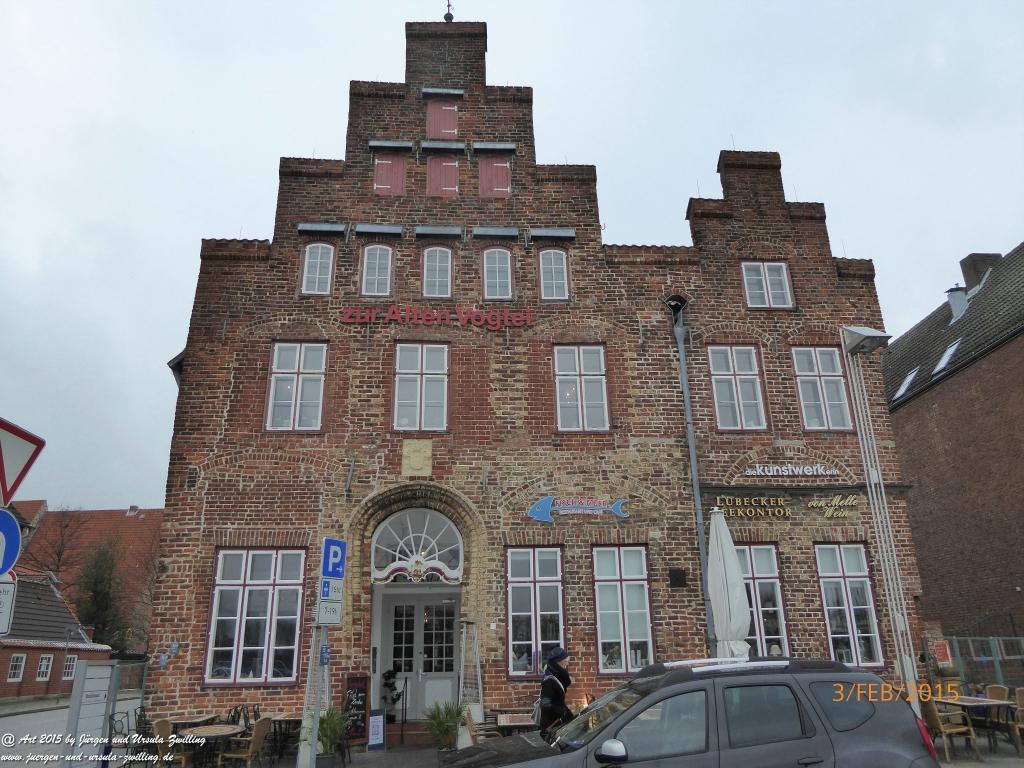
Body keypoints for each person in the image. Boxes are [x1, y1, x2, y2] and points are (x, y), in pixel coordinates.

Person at [538, 646, 574, 739]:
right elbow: (545, 704)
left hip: (557, 722)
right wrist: (562, 712)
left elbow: (558, 699)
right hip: (551, 725)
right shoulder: (549, 680)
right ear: (559, 661)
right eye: (566, 660)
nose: (568, 663)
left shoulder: (556, 675)